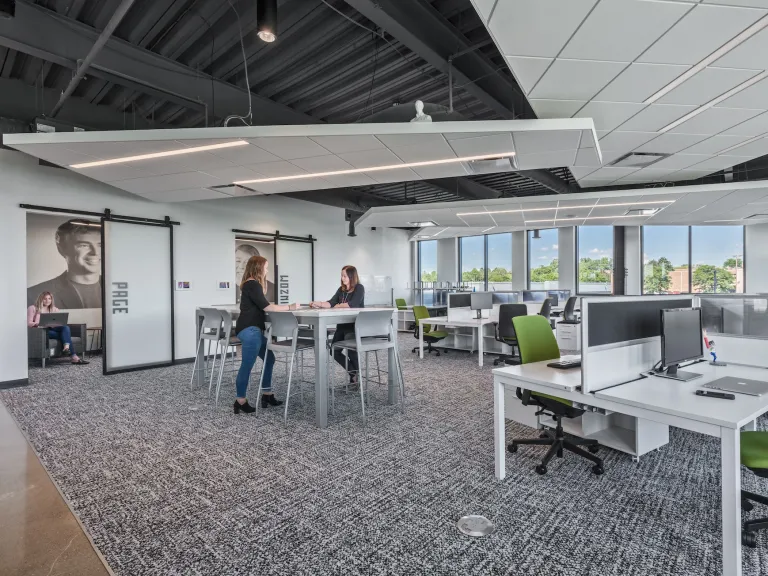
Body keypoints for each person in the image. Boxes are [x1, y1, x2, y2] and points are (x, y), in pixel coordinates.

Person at [234, 255, 298, 414]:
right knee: (247, 365)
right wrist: (290, 307)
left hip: (251, 330)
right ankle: (240, 400)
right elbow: (267, 308)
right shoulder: (253, 284)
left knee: (270, 358)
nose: (267, 270)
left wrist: (281, 306)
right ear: (258, 268)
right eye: (266, 267)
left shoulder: (250, 285)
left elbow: (266, 304)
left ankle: (267, 394)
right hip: (250, 331)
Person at [27, 220, 102, 310]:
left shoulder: (115, 288)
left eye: (100, 245)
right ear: (62, 249)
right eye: (84, 245)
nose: (95, 252)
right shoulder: (33, 294)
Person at [310, 265, 365, 384]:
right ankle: (353, 372)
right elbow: (331, 302)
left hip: (353, 326)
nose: (342, 278)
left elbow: (353, 304)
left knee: (352, 352)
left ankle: (356, 379)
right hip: (341, 326)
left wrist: (338, 305)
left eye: (345, 276)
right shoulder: (341, 290)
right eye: (342, 275)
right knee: (334, 351)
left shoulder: (359, 288)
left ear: (351, 276)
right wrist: (318, 303)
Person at [27, 291, 88, 365]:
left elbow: (59, 321)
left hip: (53, 328)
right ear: (40, 299)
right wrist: (39, 324)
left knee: (65, 327)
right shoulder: (32, 308)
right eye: (45, 299)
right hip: (41, 331)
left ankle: (66, 347)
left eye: (49, 298)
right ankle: (74, 357)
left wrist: (56, 323)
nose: (47, 300)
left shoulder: (54, 309)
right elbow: (28, 323)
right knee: (65, 336)